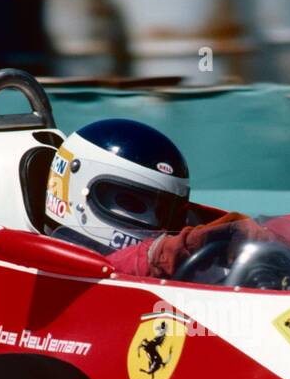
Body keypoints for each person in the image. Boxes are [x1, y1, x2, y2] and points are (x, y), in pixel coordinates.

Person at [43, 118, 269, 279]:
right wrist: (181, 247)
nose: (156, 222)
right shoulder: (54, 269)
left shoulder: (173, 258)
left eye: (165, 211)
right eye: (131, 203)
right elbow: (122, 265)